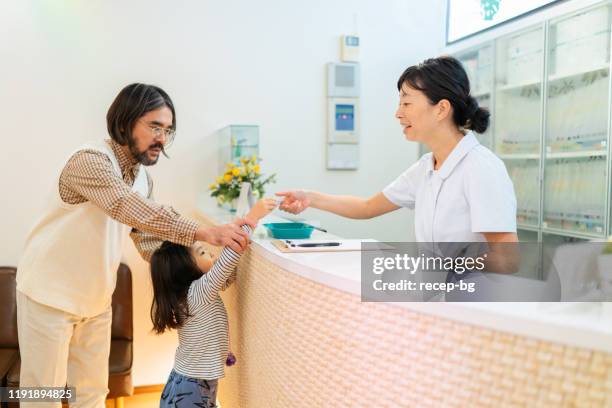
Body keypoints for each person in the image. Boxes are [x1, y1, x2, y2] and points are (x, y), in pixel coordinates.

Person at [16, 83, 254, 408]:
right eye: (155, 126)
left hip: (96, 299)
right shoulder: (89, 162)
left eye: (167, 130)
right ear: (126, 123)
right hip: (48, 296)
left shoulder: (143, 178)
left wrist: (202, 273)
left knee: (92, 395)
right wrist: (205, 232)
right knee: (41, 396)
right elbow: (128, 207)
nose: (162, 138)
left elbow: (150, 239)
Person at [277, 56, 518, 270]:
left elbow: (507, 260)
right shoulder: (426, 167)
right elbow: (367, 207)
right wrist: (310, 198)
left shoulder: (481, 167)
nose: (398, 113)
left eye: (407, 103)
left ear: (441, 109)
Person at [150, 198, 277, 408]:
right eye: (202, 252)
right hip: (192, 386)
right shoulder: (198, 293)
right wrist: (252, 218)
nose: (210, 253)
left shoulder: (190, 292)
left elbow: (226, 273)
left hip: (189, 382)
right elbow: (226, 263)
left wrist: (238, 234)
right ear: (187, 269)